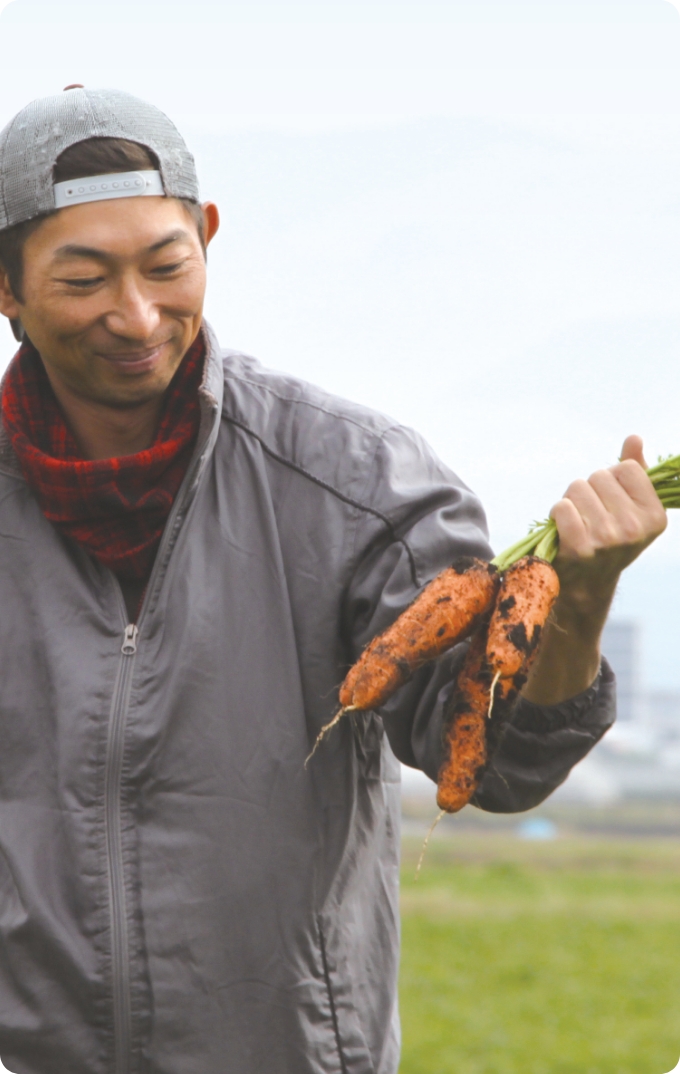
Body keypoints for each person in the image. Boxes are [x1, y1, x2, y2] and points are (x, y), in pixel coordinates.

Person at [0, 87, 666, 1074]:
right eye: (84, 278)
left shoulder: (354, 486)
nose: (135, 314)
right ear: (7, 288)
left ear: (208, 238)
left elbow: (490, 763)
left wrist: (575, 603)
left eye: (166, 265)